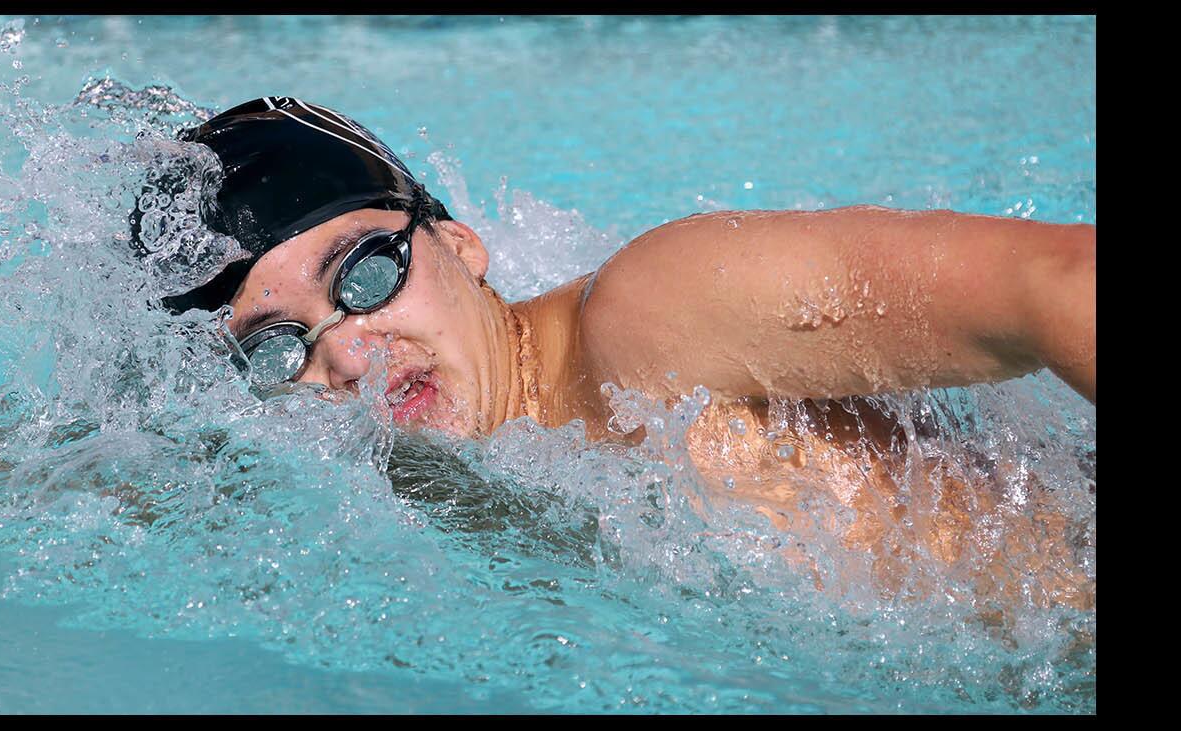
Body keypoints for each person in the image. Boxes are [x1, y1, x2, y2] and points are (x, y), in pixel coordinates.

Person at [137, 96, 1096, 604]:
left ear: (461, 244)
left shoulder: (653, 316)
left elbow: (1057, 286)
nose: (349, 354)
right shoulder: (408, 470)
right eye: (279, 350)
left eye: (366, 276)